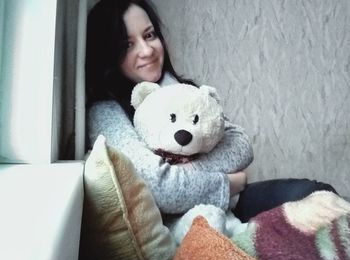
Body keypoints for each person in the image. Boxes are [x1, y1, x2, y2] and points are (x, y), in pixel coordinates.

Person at [86, 0, 337, 223]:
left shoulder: (181, 90)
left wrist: (186, 172)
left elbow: (241, 145)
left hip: (232, 206)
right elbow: (162, 189)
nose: (147, 50)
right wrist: (229, 182)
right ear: (109, 55)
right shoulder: (106, 112)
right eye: (128, 44)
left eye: (150, 35)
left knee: (317, 194)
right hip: (184, 222)